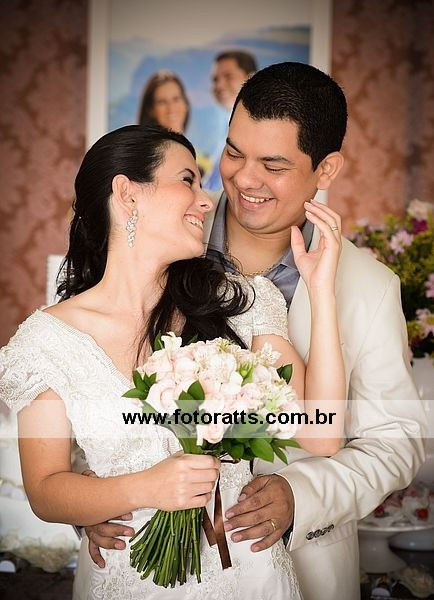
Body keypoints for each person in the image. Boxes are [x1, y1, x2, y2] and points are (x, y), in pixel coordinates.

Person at [87, 63, 427, 600]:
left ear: (326, 168)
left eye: (273, 165)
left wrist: (302, 494)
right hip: (136, 561)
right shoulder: (153, 237)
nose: (245, 179)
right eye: (234, 152)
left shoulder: (370, 287)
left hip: (299, 568)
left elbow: (395, 443)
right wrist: (88, 498)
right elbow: (84, 378)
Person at [1, 123, 347, 599]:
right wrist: (145, 487)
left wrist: (321, 289)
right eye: (188, 180)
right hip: (130, 581)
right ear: (128, 193)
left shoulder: (241, 302)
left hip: (250, 575)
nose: (206, 202)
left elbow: (321, 433)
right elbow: (45, 490)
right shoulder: (45, 342)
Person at [203, 50, 257, 191]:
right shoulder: (225, 124)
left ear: (251, 78)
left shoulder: (260, 127)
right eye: (215, 80)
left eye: (228, 76)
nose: (219, 86)